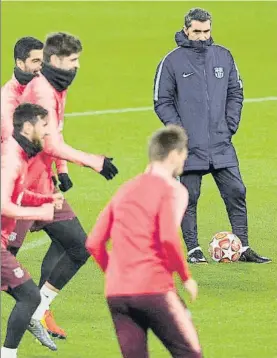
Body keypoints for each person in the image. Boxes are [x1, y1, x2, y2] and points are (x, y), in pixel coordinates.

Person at [6, 32, 119, 344]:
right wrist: (93, 161)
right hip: (21, 188)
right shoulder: (40, 91)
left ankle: (37, 309)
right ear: (55, 61)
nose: (77, 66)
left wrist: (63, 170)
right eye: (73, 61)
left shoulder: (58, 86)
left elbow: (56, 131)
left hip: (44, 186)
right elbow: (49, 141)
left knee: (79, 246)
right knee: (5, 258)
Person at [153, 7, 271, 264]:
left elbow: (236, 92)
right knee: (189, 196)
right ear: (186, 30)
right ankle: (194, 250)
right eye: (197, 31)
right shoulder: (171, 62)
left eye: (207, 31)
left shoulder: (223, 57)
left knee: (236, 192)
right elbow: (161, 101)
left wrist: (229, 125)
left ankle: (242, 246)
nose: (202, 36)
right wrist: (180, 132)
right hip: (189, 147)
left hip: (220, 143)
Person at [86, 125, 202, 358]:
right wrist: (186, 277)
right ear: (173, 155)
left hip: (117, 293)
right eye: (184, 153)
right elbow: (168, 238)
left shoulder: (125, 190)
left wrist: (115, 275)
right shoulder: (172, 190)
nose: (186, 158)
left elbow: (94, 242)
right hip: (154, 289)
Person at [1, 103, 65, 357]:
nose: (47, 131)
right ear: (28, 127)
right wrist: (41, 213)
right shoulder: (12, 160)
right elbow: (5, 204)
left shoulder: (18, 154)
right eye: (43, 125)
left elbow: (16, 194)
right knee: (29, 296)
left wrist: (45, 199)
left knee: (28, 296)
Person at [1, 37, 44, 142]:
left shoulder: (41, 86)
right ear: (20, 63)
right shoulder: (8, 99)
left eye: (42, 61)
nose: (41, 67)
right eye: (35, 61)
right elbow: (11, 142)